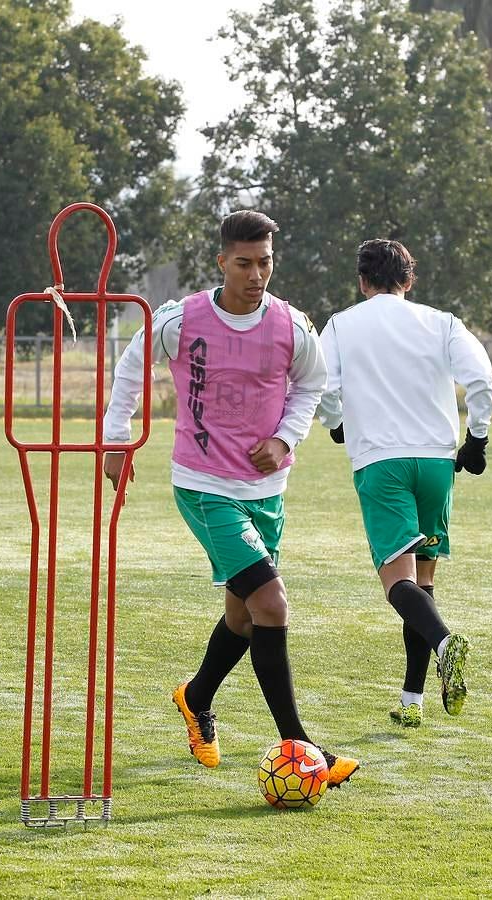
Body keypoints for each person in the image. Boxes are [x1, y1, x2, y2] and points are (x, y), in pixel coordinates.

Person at [103, 209, 359, 785]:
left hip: (268, 489)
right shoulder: (182, 318)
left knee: (243, 618)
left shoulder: (291, 325)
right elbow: (130, 367)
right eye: (244, 263)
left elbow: (313, 383)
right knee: (271, 603)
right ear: (222, 262)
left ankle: (195, 697)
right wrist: (115, 440)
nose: (256, 274)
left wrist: (286, 436)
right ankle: (304, 746)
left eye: (265, 262)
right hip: (203, 485)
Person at [318, 239, 492, 727]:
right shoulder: (442, 322)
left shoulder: (341, 324)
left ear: (362, 281)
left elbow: (323, 386)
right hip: (437, 463)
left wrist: (338, 423)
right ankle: (412, 702)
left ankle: (445, 643)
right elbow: (481, 379)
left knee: (397, 582)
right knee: (424, 581)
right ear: (409, 280)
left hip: (382, 462)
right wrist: (476, 440)